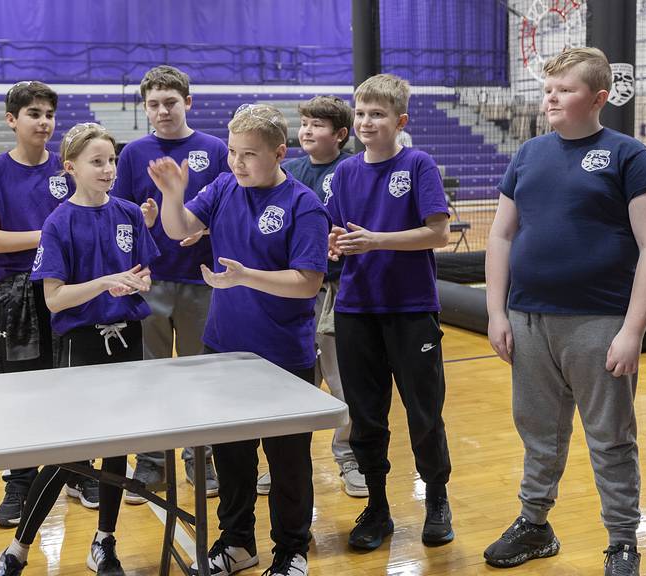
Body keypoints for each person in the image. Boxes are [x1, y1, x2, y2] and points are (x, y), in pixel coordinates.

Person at [482, 48, 646, 576]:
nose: (551, 98)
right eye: (548, 90)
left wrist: (633, 330)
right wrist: (496, 312)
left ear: (599, 97)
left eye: (564, 89)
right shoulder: (528, 154)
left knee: (609, 438)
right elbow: (500, 234)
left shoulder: (627, 156)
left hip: (599, 322)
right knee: (537, 431)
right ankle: (535, 525)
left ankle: (622, 541)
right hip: (529, 320)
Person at [148, 102, 329, 576]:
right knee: (231, 456)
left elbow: (308, 282)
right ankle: (237, 543)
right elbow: (180, 228)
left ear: (279, 153)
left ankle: (292, 550)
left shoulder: (303, 204)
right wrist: (173, 193)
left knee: (288, 461)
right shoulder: (227, 184)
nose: (237, 162)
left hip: (282, 354)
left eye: (249, 154)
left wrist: (248, 276)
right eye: (232, 152)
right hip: (224, 348)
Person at [0, 122, 159, 576]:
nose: (108, 170)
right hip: (82, 345)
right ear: (71, 168)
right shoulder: (59, 222)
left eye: (112, 161)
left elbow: (145, 274)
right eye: (97, 162)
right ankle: (19, 548)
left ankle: (105, 540)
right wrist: (105, 283)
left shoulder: (127, 213)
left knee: (118, 446)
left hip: (128, 338)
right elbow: (54, 298)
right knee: (73, 455)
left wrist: (135, 283)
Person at [326, 73, 454, 551]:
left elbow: (438, 234)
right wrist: (335, 244)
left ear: (399, 121)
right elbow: (336, 233)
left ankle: (437, 498)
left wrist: (377, 239)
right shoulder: (344, 172)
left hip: (411, 307)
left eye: (376, 114)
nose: (365, 121)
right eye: (359, 113)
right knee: (366, 414)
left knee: (424, 411)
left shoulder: (418, 164)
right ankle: (377, 506)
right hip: (356, 309)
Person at [0, 81, 99, 527]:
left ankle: (79, 471)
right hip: (16, 293)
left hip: (65, 288)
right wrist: (50, 234)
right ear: (12, 119)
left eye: (48, 114)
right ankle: (19, 483)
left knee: (74, 383)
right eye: (34, 114)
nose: (43, 122)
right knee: (19, 390)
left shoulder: (66, 173)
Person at [111, 64, 227, 503]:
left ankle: (202, 459)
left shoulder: (214, 149)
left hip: (201, 280)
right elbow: (118, 211)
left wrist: (209, 231)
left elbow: (229, 208)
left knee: (202, 376)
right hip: (151, 280)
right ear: (145, 107)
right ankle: (151, 463)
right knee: (150, 376)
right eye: (154, 104)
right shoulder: (133, 152)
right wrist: (140, 223)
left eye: (170, 103)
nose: (162, 111)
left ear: (188, 103)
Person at [256, 95, 367, 499]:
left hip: (339, 290)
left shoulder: (351, 170)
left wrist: (340, 239)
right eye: (303, 123)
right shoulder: (290, 171)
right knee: (292, 382)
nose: (306, 131)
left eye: (317, 125)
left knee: (340, 381)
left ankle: (348, 458)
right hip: (297, 292)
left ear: (340, 135)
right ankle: (280, 462)